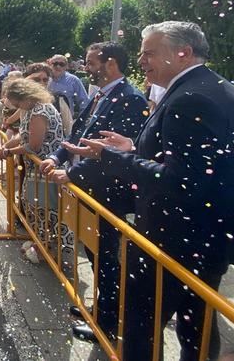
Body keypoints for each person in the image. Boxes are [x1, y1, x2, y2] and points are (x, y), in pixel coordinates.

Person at [51, 21, 234, 360]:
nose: (141, 61)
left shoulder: (192, 98)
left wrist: (109, 155)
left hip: (174, 241)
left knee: (143, 331)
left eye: (149, 53)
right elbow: (195, 164)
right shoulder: (212, 87)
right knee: (196, 333)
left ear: (182, 53)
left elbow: (180, 180)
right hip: (203, 241)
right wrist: (133, 147)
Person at [39, 42, 148, 343]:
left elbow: (110, 156)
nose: (85, 67)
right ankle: (101, 308)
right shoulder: (100, 94)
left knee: (106, 258)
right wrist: (55, 157)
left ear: (110, 64)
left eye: (90, 62)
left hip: (108, 194)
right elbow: (77, 135)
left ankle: (108, 321)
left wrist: (71, 173)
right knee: (95, 253)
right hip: (88, 191)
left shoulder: (131, 99)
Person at [0, 78, 71, 257]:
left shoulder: (40, 111)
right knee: (38, 209)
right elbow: (22, 135)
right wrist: (6, 147)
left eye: (17, 102)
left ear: (24, 97)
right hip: (38, 171)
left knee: (48, 211)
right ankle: (42, 244)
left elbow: (33, 145)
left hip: (45, 171)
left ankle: (50, 249)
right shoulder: (32, 109)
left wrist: (8, 152)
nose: (16, 106)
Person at [25, 62, 73, 137]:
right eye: (36, 80)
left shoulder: (58, 100)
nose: (41, 83)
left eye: (45, 80)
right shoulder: (25, 102)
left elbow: (69, 130)